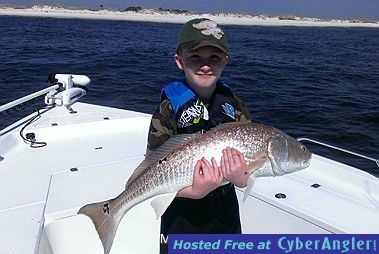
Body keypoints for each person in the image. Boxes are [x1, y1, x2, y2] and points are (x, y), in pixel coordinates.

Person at [146, 18, 251, 254]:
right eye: (195, 57)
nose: (205, 65)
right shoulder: (167, 111)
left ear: (225, 61)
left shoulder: (235, 106)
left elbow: (248, 171)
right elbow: (153, 171)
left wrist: (241, 177)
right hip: (182, 215)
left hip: (226, 212)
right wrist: (193, 191)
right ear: (179, 61)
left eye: (214, 58)